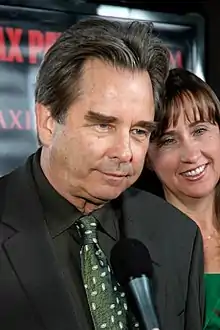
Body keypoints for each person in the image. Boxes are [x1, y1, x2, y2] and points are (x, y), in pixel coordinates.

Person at [0, 18, 204, 330]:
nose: (125, 152)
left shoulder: (179, 236)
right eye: (103, 125)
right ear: (48, 121)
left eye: (139, 131)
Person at [146, 68, 220, 329]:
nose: (191, 154)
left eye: (200, 130)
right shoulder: (136, 249)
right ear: (148, 159)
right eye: (168, 140)